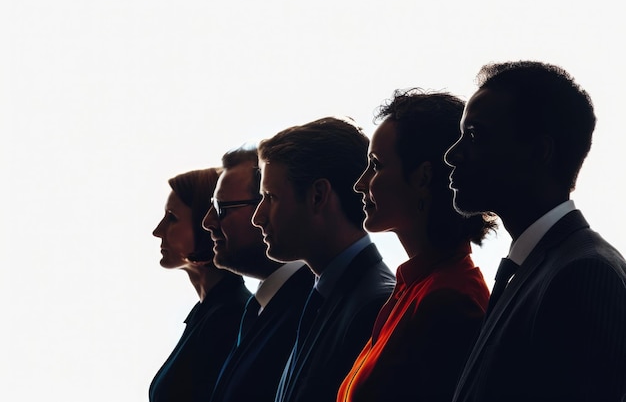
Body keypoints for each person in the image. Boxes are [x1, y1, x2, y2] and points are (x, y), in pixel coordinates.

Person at [445, 61, 626, 402]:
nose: (452, 155)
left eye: (474, 135)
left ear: (539, 152)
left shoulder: (585, 273)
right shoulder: (540, 267)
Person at [336, 89, 495, 402]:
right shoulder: (417, 287)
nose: (360, 183)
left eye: (376, 166)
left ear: (423, 178)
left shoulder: (449, 300)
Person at [252, 117, 396, 402]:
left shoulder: (374, 306)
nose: (257, 217)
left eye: (271, 197)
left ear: (318, 195)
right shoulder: (328, 295)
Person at [202, 147, 315, 402]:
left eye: (222, 208)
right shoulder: (261, 307)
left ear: (270, 205)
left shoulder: (310, 306)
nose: (208, 221)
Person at [150, 168, 251, 402]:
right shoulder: (207, 310)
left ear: (206, 225)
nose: (157, 231)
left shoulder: (229, 316)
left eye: (172, 218)